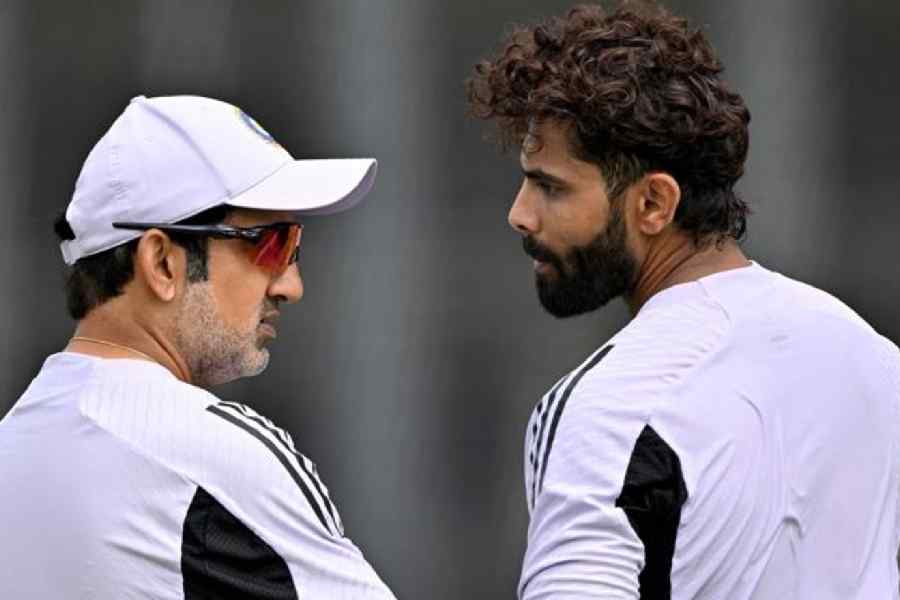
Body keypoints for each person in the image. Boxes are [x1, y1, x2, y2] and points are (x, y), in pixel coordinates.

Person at [467, 3, 900, 599]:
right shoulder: (876, 361)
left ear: (653, 204)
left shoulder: (613, 406)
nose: (520, 214)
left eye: (550, 186)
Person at [0, 95, 396, 599]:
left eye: (294, 246)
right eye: (271, 244)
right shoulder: (215, 453)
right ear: (162, 262)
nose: (290, 285)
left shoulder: (12, 446)